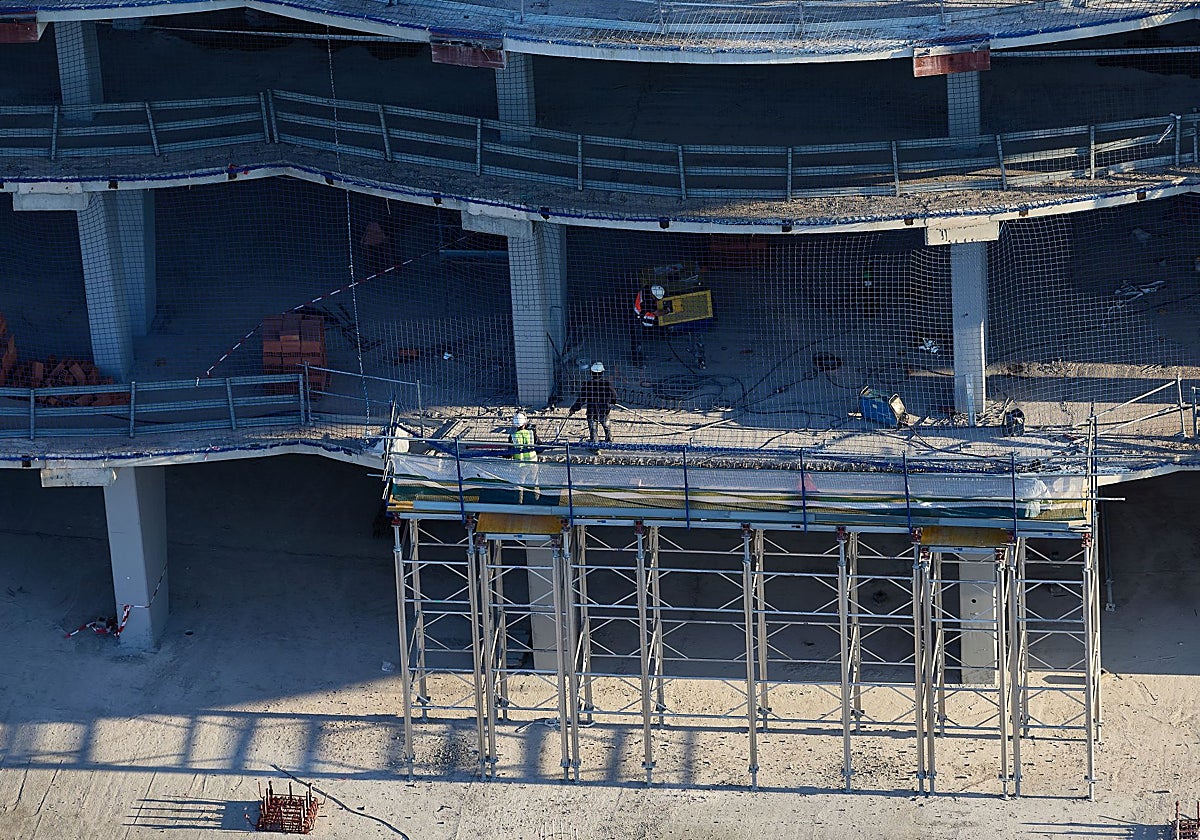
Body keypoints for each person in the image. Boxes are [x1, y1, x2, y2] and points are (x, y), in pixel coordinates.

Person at [569, 362, 618, 444]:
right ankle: (609, 440)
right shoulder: (607, 384)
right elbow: (614, 395)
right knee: (606, 426)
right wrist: (612, 402)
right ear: (602, 373)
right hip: (604, 410)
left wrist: (574, 409)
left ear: (591, 373)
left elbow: (581, 399)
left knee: (593, 430)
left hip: (592, 412)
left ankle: (594, 444)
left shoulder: (587, 384)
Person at [509, 411, 540, 503]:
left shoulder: (513, 436)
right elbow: (540, 447)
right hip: (533, 463)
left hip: (521, 465)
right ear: (525, 422)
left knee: (519, 486)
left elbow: (509, 452)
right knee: (534, 483)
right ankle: (537, 502)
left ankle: (519, 504)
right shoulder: (531, 433)